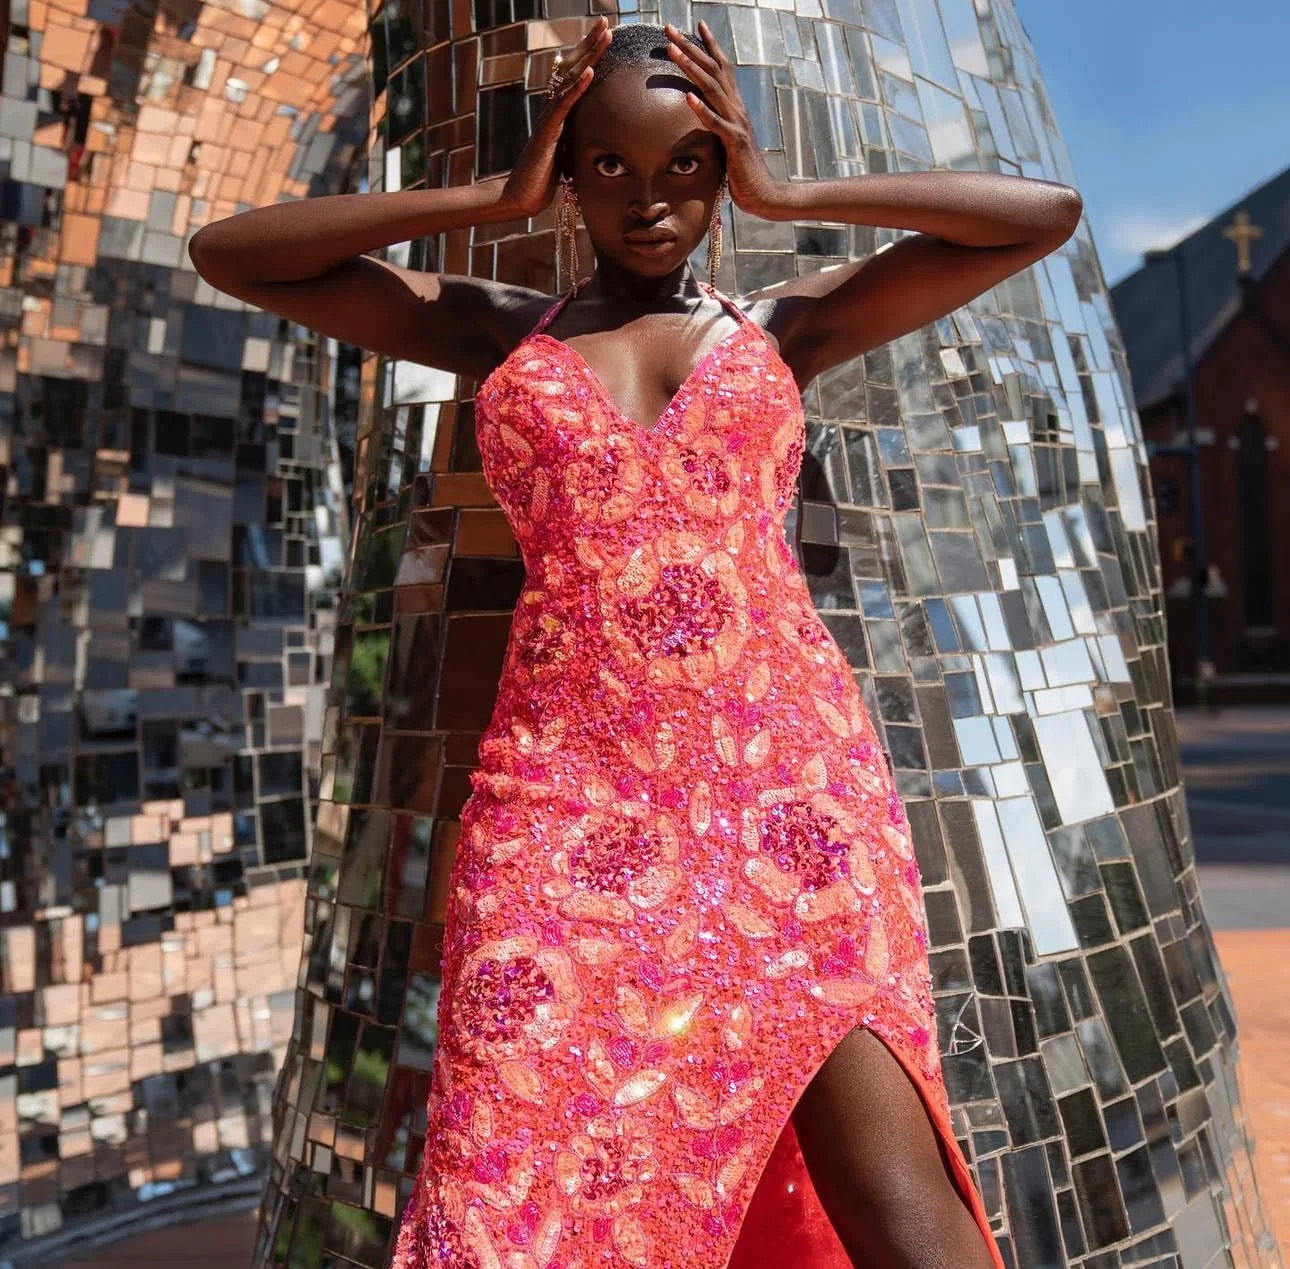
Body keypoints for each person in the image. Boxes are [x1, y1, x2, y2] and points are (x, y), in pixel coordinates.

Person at [191, 17, 1081, 1269]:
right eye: (609, 167)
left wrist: (790, 188)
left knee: (899, 1206)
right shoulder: (503, 331)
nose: (651, 202)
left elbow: (1041, 213)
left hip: (792, 808)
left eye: (688, 169)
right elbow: (232, 255)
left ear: (721, 172)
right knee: (501, 1202)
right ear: (570, 174)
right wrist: (489, 195)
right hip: (561, 817)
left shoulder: (787, 326)